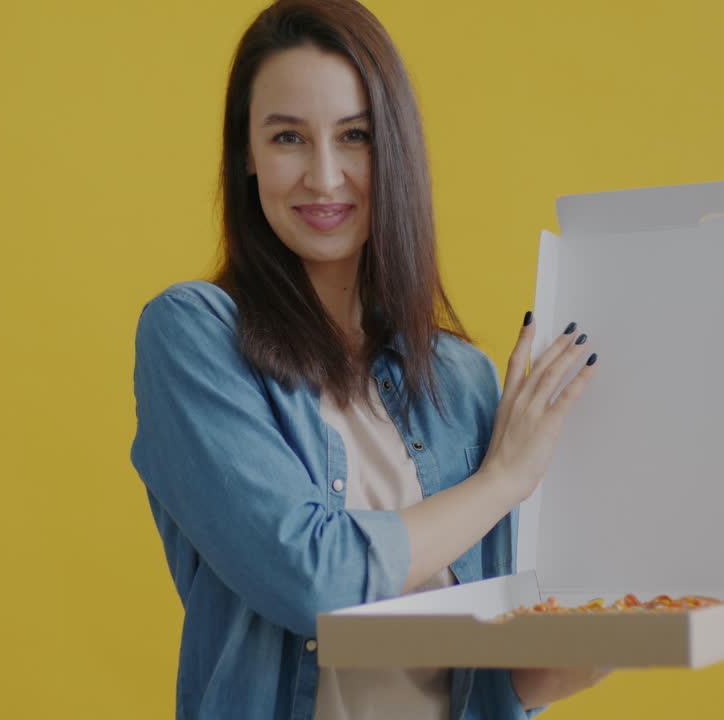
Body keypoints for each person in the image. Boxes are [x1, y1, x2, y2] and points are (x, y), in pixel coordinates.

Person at [131, 1, 605, 717]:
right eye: (288, 136)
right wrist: (506, 479)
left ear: (396, 152)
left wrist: (615, 625)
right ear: (247, 157)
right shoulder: (194, 335)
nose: (324, 177)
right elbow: (312, 579)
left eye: (355, 136)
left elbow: (501, 682)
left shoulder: (463, 378)